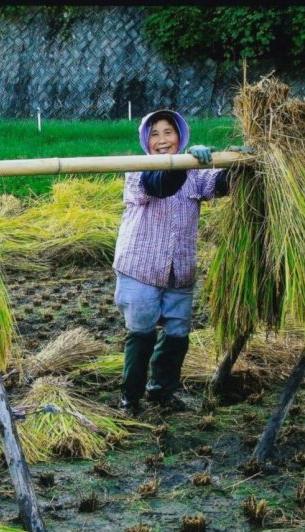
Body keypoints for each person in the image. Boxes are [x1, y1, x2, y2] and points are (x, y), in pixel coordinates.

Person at [113, 109, 236, 415]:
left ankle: (162, 392)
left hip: (179, 270)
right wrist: (182, 165)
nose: (162, 140)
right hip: (140, 267)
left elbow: (221, 184)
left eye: (169, 132)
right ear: (145, 140)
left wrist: (236, 164)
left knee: (178, 336)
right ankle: (131, 397)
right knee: (141, 334)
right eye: (154, 134)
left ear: (181, 136)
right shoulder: (136, 170)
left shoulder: (195, 171)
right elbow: (160, 185)